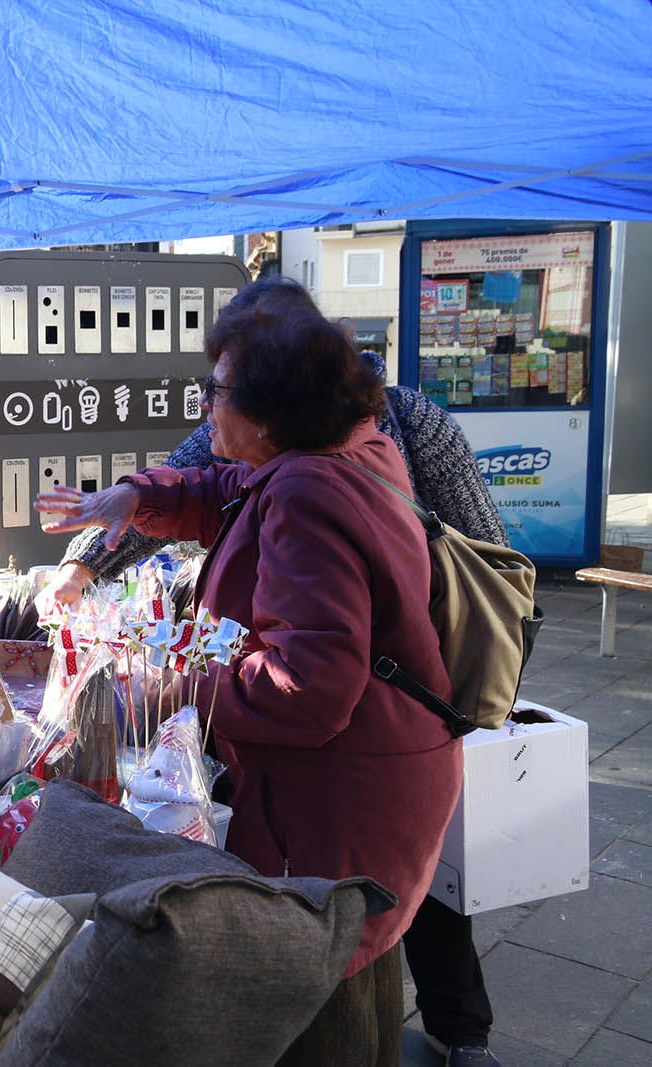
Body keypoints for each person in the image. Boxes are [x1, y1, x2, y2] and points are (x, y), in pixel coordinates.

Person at [44, 276, 506, 1067]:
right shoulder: (333, 447)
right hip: (377, 773)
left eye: (214, 391)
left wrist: (170, 691)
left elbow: (307, 691)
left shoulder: (307, 492)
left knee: (313, 1003)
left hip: (343, 801)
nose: (204, 407)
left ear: (266, 410)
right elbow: (219, 485)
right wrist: (131, 497)